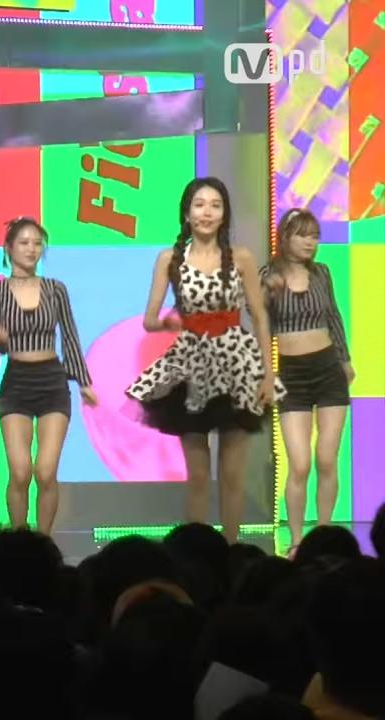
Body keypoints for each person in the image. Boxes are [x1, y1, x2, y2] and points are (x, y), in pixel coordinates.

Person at [126, 177, 282, 543]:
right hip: (191, 366)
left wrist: (267, 373)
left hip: (237, 365)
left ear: (224, 214)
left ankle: (230, 551)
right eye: (199, 205)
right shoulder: (170, 259)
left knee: (232, 475)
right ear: (186, 213)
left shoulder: (241, 258)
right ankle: (195, 554)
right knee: (197, 476)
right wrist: (169, 322)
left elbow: (260, 317)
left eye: (215, 205)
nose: (207, 212)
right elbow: (149, 319)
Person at [0, 217, 97, 535]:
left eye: (37, 243)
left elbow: (70, 335)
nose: (31, 249)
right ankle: (18, 540)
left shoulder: (55, 289)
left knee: (45, 471)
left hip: (52, 382)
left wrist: (83, 382)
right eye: (24, 243)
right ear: (9, 248)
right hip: (16, 383)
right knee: (20, 472)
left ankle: (43, 541)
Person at [260, 209, 353, 549]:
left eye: (315, 236)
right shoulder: (268, 276)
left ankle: (324, 538)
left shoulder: (322, 273)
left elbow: (334, 317)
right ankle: (297, 541)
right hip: (292, 376)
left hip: (328, 370)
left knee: (327, 458)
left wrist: (345, 359)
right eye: (303, 235)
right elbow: (259, 324)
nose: (310, 242)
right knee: (299, 464)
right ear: (285, 237)